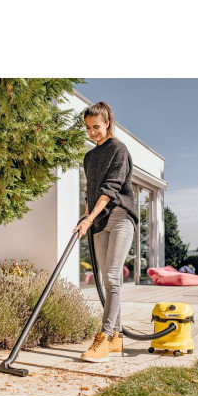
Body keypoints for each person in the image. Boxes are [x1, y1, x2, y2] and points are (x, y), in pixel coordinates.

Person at [72, 101, 139, 363]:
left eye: (96, 127)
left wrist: (89, 219)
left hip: (120, 217)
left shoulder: (119, 150)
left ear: (107, 123)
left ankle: (104, 336)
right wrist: (86, 217)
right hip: (100, 221)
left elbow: (109, 189)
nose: (92, 132)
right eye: (88, 128)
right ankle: (116, 340)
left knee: (112, 276)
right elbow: (91, 192)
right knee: (109, 281)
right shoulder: (89, 157)